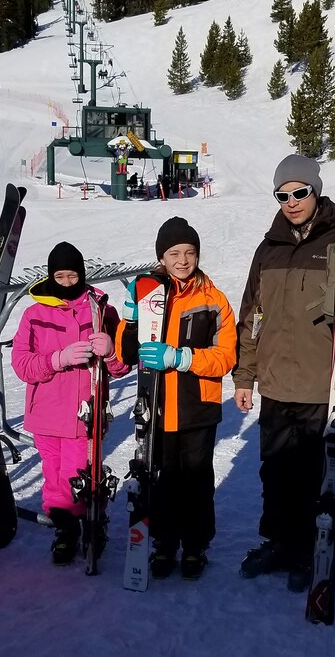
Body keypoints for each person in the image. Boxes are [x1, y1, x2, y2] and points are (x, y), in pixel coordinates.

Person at [233, 154, 335, 593]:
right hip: (275, 383)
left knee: (317, 475)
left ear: (316, 191)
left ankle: (313, 547)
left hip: (323, 387)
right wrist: (245, 376)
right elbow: (252, 316)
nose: (291, 202)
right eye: (282, 195)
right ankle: (280, 543)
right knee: (275, 473)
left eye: (300, 192)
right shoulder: (267, 250)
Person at [115, 217, 237, 580]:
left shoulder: (213, 300)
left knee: (196, 482)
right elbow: (125, 353)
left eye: (190, 252)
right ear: (161, 257)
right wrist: (131, 317)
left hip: (198, 408)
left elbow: (226, 357)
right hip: (157, 406)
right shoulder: (150, 294)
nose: (183, 260)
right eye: (174, 253)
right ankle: (164, 543)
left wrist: (182, 358)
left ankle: (195, 546)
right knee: (162, 481)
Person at [12, 241, 130, 565]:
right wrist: (57, 359)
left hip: (84, 414)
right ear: (51, 276)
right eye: (60, 276)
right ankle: (65, 530)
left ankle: (93, 522)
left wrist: (112, 352)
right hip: (46, 413)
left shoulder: (101, 311)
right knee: (54, 478)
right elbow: (21, 365)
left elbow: (121, 367)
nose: (66, 282)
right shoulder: (34, 314)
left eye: (73, 275)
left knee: (81, 475)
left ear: (82, 274)